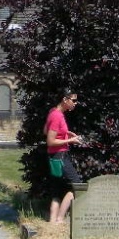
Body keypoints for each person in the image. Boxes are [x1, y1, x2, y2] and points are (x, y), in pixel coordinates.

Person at [46, 89, 82, 224]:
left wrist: (66, 132)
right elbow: (50, 140)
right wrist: (70, 141)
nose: (75, 103)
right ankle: (60, 219)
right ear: (65, 99)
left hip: (53, 156)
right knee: (77, 186)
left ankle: (52, 222)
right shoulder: (58, 116)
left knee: (56, 190)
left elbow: (46, 130)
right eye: (73, 100)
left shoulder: (53, 112)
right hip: (60, 156)